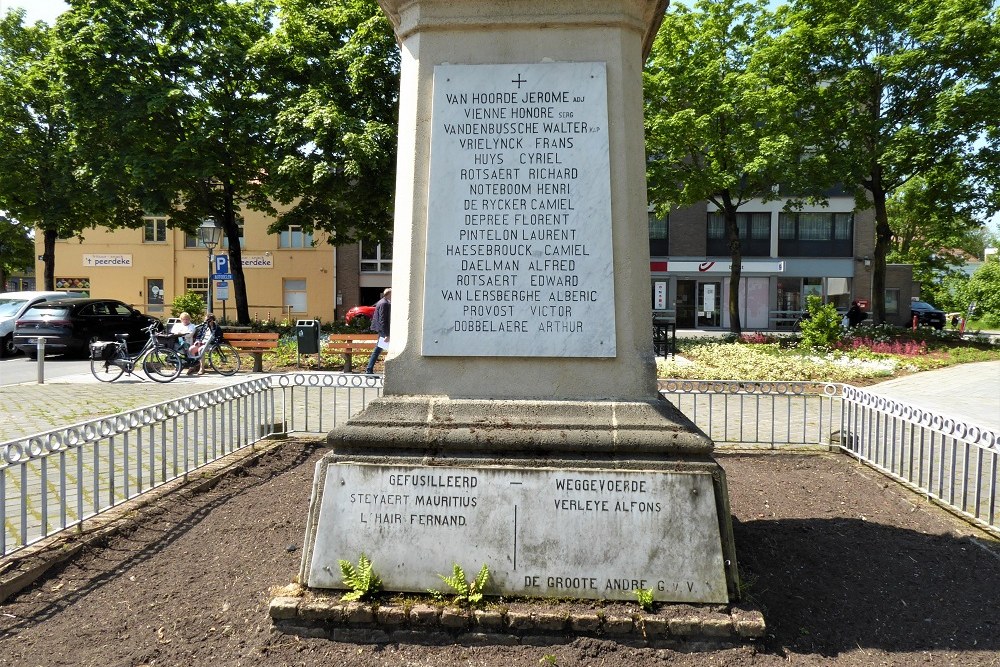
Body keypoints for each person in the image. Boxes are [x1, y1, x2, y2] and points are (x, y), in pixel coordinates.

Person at [365, 288, 391, 374]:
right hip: (383, 331)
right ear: (389, 294)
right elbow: (383, 320)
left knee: (379, 350)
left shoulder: (381, 302)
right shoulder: (385, 304)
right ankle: (369, 370)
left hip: (382, 330)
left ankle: (369, 369)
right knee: (377, 350)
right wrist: (387, 334)